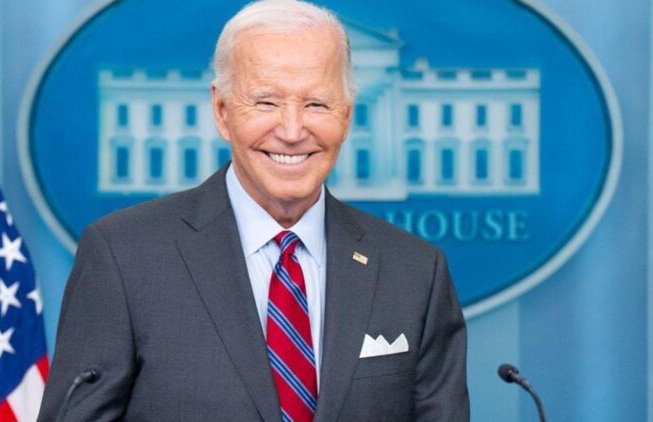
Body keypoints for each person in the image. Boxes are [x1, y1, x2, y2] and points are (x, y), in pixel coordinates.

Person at [38, 0, 469, 420]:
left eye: (316, 104)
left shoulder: (416, 273)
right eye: (266, 102)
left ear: (347, 115)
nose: (292, 131)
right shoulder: (123, 257)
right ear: (222, 111)